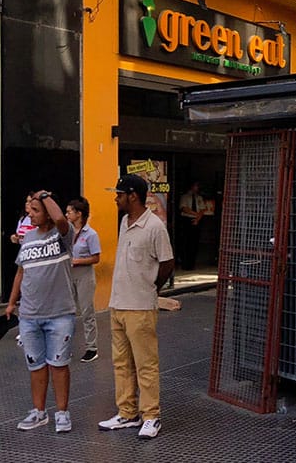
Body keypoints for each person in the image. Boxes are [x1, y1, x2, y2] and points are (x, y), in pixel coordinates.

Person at [98, 175, 175, 439]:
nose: (116, 197)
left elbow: (167, 262)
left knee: (145, 364)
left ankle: (151, 416)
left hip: (140, 306)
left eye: (119, 193)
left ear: (133, 195)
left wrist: (152, 287)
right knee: (121, 363)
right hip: (118, 303)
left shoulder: (154, 226)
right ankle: (127, 412)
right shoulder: (124, 222)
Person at [5, 190, 76, 432]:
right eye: (29, 210)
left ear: (47, 212)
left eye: (35, 211)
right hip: (29, 315)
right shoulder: (28, 238)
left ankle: (63, 413)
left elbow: (60, 219)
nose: (30, 214)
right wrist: (12, 303)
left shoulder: (63, 235)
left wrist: (44, 196)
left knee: (59, 365)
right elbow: (21, 272)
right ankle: (39, 412)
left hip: (59, 314)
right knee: (35, 366)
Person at [66, 197, 101, 362]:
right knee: (67, 311)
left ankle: (91, 347)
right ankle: (65, 346)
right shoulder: (67, 232)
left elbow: (96, 258)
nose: (66, 214)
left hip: (84, 274)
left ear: (79, 214)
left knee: (87, 311)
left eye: (69, 211)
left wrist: (78, 261)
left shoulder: (90, 234)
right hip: (69, 274)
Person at [177, 181, 205, 271]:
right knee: (186, 242)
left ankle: (192, 263)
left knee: (194, 243)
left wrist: (197, 218)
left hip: (196, 221)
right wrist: (195, 214)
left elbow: (202, 209)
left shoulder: (199, 198)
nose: (197, 188)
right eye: (196, 186)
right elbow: (184, 208)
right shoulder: (185, 197)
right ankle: (185, 264)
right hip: (187, 220)